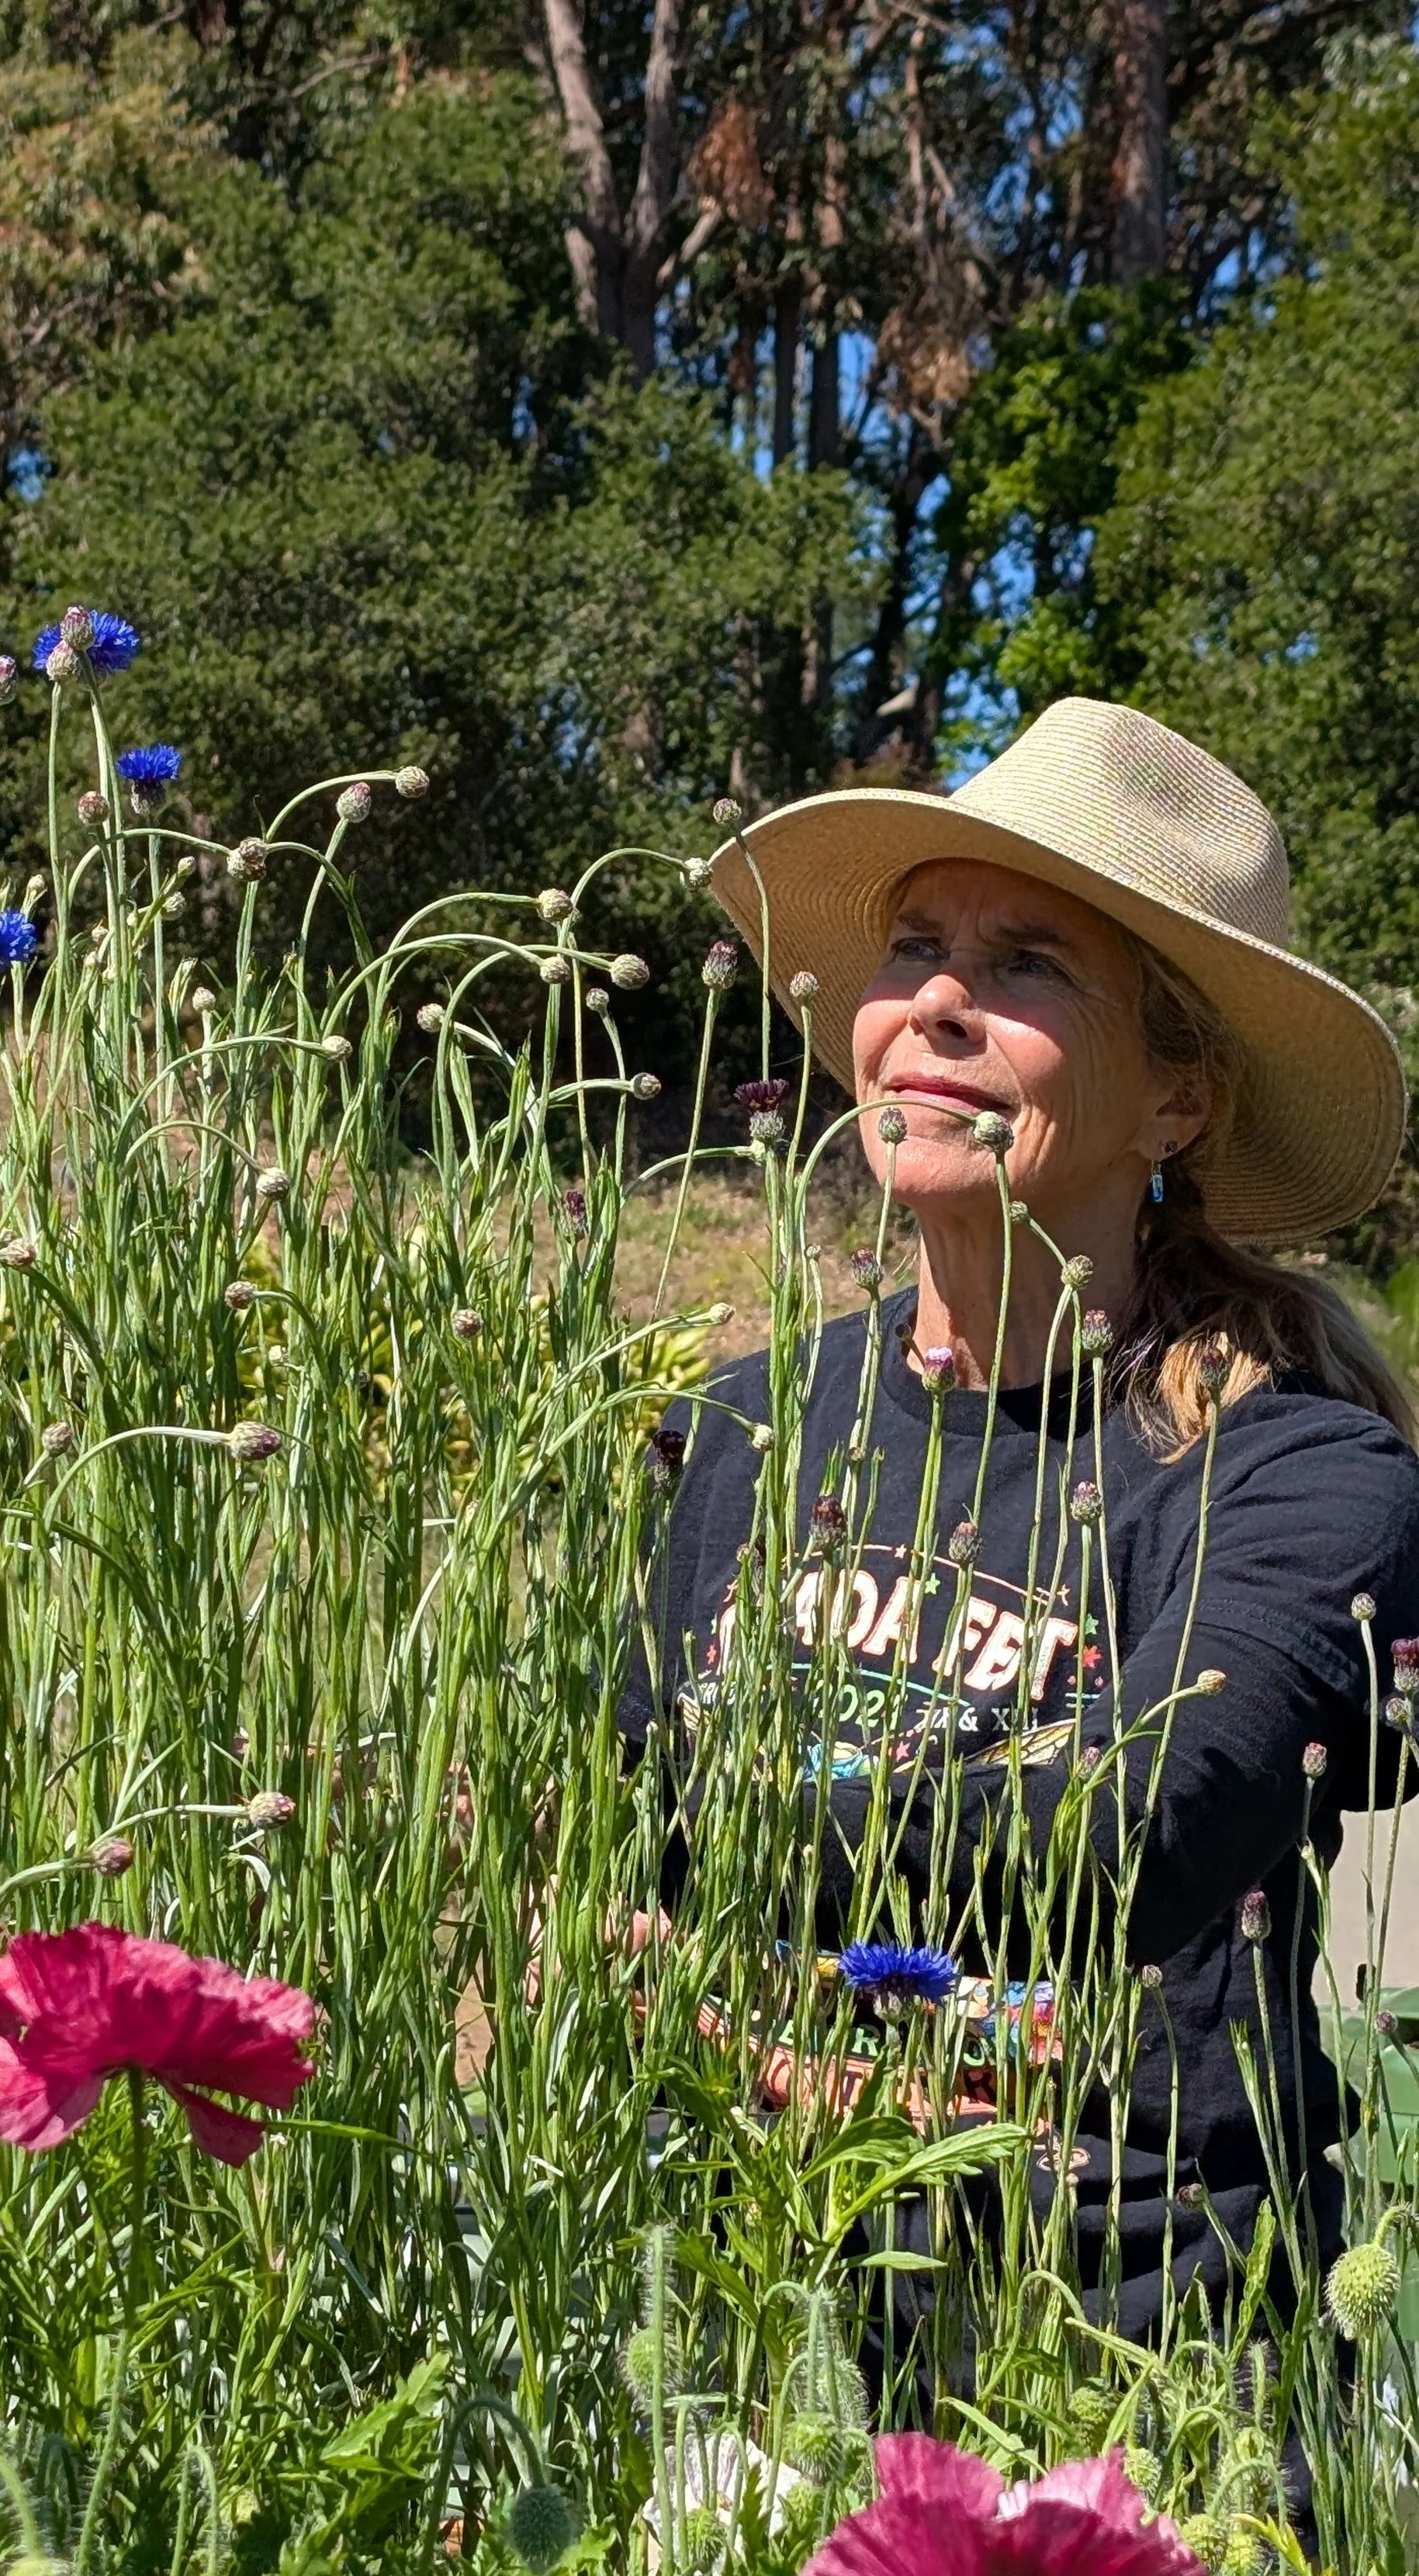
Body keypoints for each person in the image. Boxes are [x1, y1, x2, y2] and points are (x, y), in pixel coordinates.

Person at [620, 698, 1419, 2363]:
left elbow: (1144, 1821)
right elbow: (614, 1840)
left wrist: (807, 1931)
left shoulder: (1294, 1474)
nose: (932, 1004)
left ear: (1175, 1103)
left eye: (1023, 966)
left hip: (1120, 2347)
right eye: (913, 946)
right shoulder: (746, 1422)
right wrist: (686, 2001)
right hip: (748, 2304)